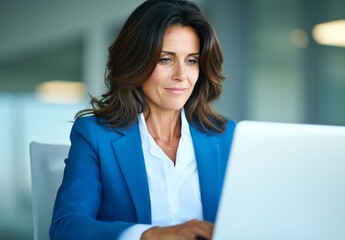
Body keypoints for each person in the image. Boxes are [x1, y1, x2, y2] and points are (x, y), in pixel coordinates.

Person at [49, 0, 236, 239]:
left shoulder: (225, 135)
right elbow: (66, 227)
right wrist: (150, 235)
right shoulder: (95, 135)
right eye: (165, 59)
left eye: (192, 60)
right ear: (137, 61)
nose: (181, 75)